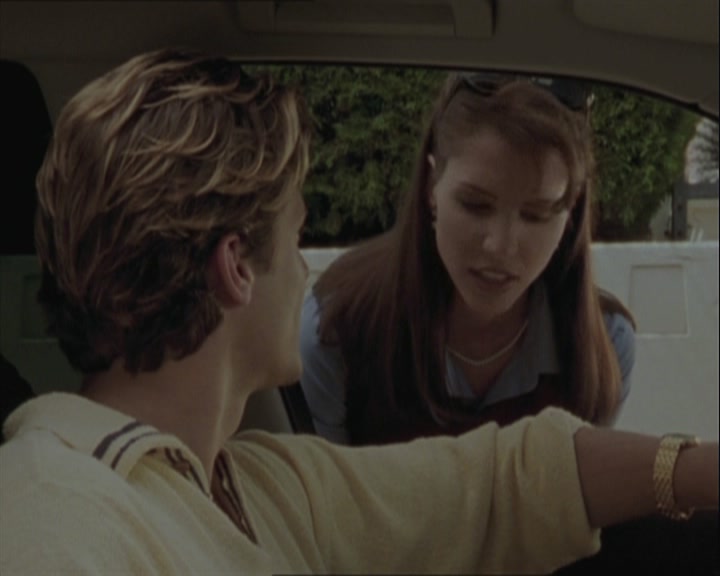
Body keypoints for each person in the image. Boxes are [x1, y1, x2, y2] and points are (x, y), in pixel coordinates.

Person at [0, 48, 717, 576]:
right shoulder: (58, 515)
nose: (304, 270)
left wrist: (693, 470)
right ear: (237, 267)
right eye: (295, 237)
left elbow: (500, 484)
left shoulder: (256, 484)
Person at [300, 72, 636, 445]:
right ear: (431, 187)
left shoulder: (602, 349)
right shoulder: (335, 331)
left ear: (570, 213)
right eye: (475, 205)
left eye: (536, 215)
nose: (501, 246)